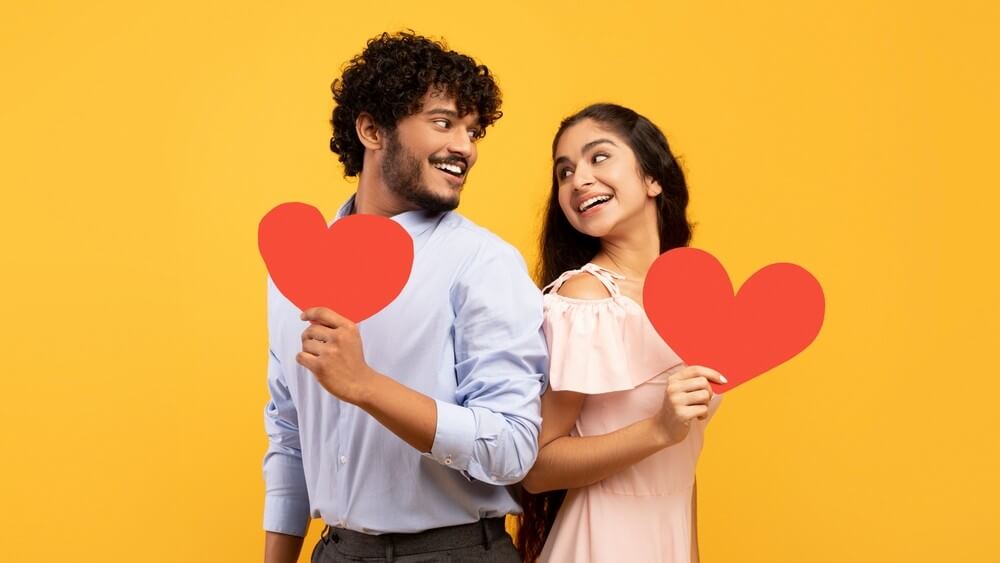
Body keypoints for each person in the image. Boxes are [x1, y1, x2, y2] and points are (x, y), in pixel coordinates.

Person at [262, 32, 548, 563]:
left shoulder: (483, 263)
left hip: (456, 552)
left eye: (473, 130)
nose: (465, 146)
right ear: (372, 129)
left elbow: (512, 449)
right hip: (336, 551)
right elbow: (288, 434)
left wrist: (367, 386)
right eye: (443, 122)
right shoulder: (291, 266)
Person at [515, 103, 726, 563]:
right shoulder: (585, 301)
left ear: (653, 179)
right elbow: (536, 468)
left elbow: (682, 468)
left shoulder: (697, 302)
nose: (578, 179)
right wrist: (656, 429)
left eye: (598, 157)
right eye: (564, 171)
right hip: (602, 543)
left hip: (670, 539)